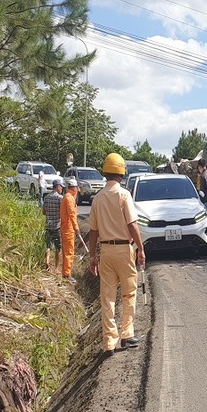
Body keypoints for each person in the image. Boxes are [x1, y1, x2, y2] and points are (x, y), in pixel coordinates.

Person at [88, 153, 145, 358]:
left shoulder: (97, 198)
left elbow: (93, 231)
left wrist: (93, 256)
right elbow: (132, 225)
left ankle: (108, 343)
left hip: (106, 251)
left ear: (105, 173)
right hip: (123, 249)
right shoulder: (123, 195)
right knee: (129, 293)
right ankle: (126, 334)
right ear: (121, 173)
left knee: (107, 297)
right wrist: (141, 248)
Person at [60, 178, 80, 283]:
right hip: (68, 229)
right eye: (77, 188)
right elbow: (72, 214)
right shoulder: (69, 198)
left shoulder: (68, 197)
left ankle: (66, 272)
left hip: (67, 228)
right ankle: (67, 274)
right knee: (69, 252)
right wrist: (76, 227)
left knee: (68, 251)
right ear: (74, 188)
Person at [42, 178, 64, 273]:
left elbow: (44, 212)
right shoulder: (60, 198)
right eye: (61, 187)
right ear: (57, 187)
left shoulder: (46, 198)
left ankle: (47, 260)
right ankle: (56, 268)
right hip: (57, 226)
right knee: (58, 248)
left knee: (48, 246)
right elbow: (62, 212)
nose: (62, 189)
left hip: (48, 225)